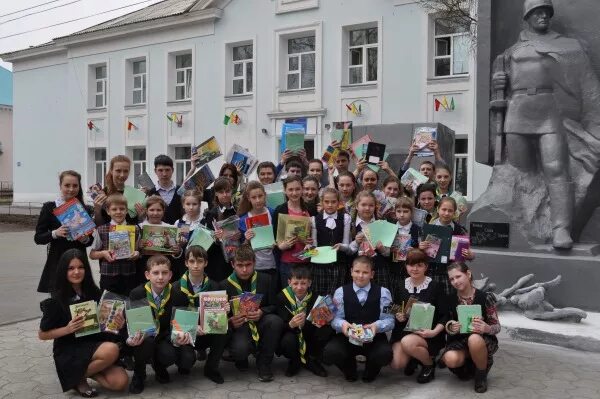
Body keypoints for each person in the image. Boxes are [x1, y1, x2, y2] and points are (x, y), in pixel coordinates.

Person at [491, 0, 579, 249]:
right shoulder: (511, 51)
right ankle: (528, 217)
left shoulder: (565, 45)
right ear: (527, 16)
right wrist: (498, 82)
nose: (543, 16)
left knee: (555, 167)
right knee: (521, 168)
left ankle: (561, 228)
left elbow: (577, 81)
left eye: (546, 12)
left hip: (548, 109)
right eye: (537, 12)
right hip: (518, 108)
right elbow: (501, 85)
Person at [39, 249, 128, 397]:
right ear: (63, 271)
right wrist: (68, 329)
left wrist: (117, 324)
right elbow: (42, 334)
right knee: (111, 350)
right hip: (70, 348)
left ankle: (77, 377)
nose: (76, 272)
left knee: (119, 383)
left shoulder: (95, 292)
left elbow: (105, 325)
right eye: (71, 268)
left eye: (81, 267)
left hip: (95, 345)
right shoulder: (56, 300)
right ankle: (77, 378)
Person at [322, 256, 394, 382]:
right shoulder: (340, 292)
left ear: (372, 274)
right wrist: (342, 325)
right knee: (331, 352)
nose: (360, 276)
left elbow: (390, 320)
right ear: (351, 272)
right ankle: (349, 368)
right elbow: (335, 318)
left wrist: (376, 326)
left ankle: (371, 370)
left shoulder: (384, 292)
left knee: (385, 354)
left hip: (373, 337)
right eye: (357, 271)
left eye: (365, 272)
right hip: (347, 337)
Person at [220, 246, 283, 382]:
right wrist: (230, 321)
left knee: (275, 321)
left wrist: (262, 311)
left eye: (248, 265)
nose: (244, 269)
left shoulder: (266, 279)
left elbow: (275, 306)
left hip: (261, 322)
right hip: (240, 327)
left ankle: (264, 363)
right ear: (232, 264)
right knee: (239, 350)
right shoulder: (224, 285)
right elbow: (219, 317)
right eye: (240, 265)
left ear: (254, 263)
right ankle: (240, 358)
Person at [171, 246, 228, 384]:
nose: (195, 266)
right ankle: (184, 362)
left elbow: (217, 319)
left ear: (206, 263)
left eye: (200, 261)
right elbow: (173, 320)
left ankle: (211, 368)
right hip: (185, 332)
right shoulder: (175, 287)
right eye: (191, 261)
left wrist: (224, 311)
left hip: (207, 330)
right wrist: (192, 328)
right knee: (186, 361)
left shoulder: (215, 286)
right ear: (186, 263)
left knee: (225, 329)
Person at [441, 262, 501, 393]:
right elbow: (445, 322)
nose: (455, 281)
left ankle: (481, 376)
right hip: (458, 341)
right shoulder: (450, 298)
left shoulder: (485, 297)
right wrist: (451, 327)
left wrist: (486, 328)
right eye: (451, 279)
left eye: (458, 276)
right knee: (450, 359)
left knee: (474, 339)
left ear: (468, 274)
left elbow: (497, 326)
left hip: (480, 340)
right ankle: (471, 360)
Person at [390, 249, 447, 384]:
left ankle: (428, 364)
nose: (415, 269)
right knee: (396, 364)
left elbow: (445, 314)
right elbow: (393, 306)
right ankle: (415, 358)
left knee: (408, 343)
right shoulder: (400, 284)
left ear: (426, 267)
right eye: (411, 265)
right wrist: (397, 314)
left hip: (427, 333)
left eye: (419, 265)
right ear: (406, 266)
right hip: (404, 330)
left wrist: (434, 332)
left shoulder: (435, 286)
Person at [35, 170, 95, 293]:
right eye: (67, 185)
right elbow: (38, 238)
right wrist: (55, 233)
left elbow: (90, 241)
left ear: (79, 186)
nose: (71, 189)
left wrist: (85, 239)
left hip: (79, 263)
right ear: (60, 186)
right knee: (59, 304)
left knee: (81, 306)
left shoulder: (85, 209)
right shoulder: (50, 207)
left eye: (75, 185)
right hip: (57, 262)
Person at [127, 255, 179, 394]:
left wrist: (179, 335)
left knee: (169, 354)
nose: (160, 277)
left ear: (170, 275)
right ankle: (139, 373)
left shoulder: (176, 293)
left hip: (163, 336)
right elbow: (132, 323)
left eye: (164, 273)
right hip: (144, 338)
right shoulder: (137, 294)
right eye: (155, 273)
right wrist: (131, 337)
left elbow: (176, 323)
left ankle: (159, 365)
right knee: (143, 342)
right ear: (147, 275)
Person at [276, 265, 332, 377]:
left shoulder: (316, 298)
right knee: (287, 341)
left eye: (303, 283)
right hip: (292, 333)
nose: (300, 287)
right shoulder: (282, 297)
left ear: (309, 283)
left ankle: (311, 360)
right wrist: (290, 325)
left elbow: (320, 323)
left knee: (325, 330)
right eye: (296, 283)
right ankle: (295, 360)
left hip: (309, 332)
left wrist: (326, 319)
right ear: (289, 282)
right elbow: (279, 325)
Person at [420, 197, 474, 296]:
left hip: (451, 274)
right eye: (444, 209)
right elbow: (422, 252)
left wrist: (470, 255)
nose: (446, 213)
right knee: (430, 299)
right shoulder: (429, 228)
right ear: (438, 209)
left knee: (449, 300)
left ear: (454, 212)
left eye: (450, 211)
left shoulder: (460, 230)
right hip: (432, 271)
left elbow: (469, 253)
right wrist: (421, 247)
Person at [89, 194, 140, 296]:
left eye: (122, 209)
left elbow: (139, 250)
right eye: (114, 209)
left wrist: (137, 253)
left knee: (128, 305)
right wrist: (103, 253)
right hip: (108, 276)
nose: (118, 212)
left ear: (126, 210)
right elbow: (92, 254)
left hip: (129, 275)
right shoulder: (101, 229)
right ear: (108, 211)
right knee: (108, 305)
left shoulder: (135, 229)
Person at [309, 188, 352, 296]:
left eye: (333, 202)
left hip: (338, 264)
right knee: (319, 296)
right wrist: (308, 249)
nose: (330, 205)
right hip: (319, 265)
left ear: (338, 203)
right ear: (322, 202)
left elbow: (347, 245)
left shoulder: (345, 218)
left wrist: (341, 246)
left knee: (336, 296)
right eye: (326, 202)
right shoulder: (314, 219)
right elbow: (314, 246)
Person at [274, 175, 313, 288]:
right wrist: (281, 246)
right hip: (287, 262)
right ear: (285, 191)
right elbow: (275, 236)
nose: (294, 193)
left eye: (297, 189)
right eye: (290, 189)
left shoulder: (309, 209)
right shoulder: (280, 209)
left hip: (306, 261)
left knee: (305, 294)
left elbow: (315, 235)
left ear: (302, 189)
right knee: (288, 296)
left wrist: (310, 242)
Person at [349, 191, 391, 289]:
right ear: (356, 206)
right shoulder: (350, 224)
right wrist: (356, 242)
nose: (367, 208)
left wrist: (381, 248)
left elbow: (387, 253)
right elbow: (347, 250)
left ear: (375, 207)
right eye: (363, 205)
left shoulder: (382, 224)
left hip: (378, 269)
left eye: (371, 205)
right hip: (358, 272)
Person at [138, 195, 183, 281]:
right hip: (145, 270)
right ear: (146, 211)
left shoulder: (171, 228)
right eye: (152, 210)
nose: (155, 213)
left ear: (163, 211)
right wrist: (139, 246)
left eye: (159, 210)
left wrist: (177, 250)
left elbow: (175, 252)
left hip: (165, 270)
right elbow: (135, 253)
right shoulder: (139, 228)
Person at [202, 177, 239, 282]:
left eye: (227, 191)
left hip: (237, 259)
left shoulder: (237, 210)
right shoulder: (211, 214)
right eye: (221, 192)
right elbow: (207, 242)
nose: (225, 195)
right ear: (216, 194)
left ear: (232, 191)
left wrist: (240, 235)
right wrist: (217, 239)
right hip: (218, 261)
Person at [238, 181, 277, 279]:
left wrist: (277, 243)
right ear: (248, 198)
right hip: (255, 267)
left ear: (265, 195)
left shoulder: (273, 213)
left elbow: (280, 237)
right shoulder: (243, 220)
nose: (258, 200)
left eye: (260, 196)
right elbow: (239, 251)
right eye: (254, 197)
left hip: (274, 265)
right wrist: (246, 240)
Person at [93, 155, 143, 225]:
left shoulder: (134, 194)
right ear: (111, 170)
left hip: (130, 234)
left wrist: (141, 216)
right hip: (108, 235)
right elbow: (99, 225)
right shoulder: (102, 194)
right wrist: (97, 210)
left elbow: (137, 223)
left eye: (125, 171)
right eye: (118, 171)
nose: (122, 175)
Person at [389, 197, 421, 288]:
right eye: (399, 211)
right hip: (394, 270)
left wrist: (414, 251)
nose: (402, 215)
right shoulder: (390, 228)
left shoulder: (417, 229)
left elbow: (421, 249)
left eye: (406, 211)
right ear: (395, 213)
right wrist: (390, 250)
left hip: (412, 271)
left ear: (411, 213)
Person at [145, 155, 183, 225]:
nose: (164, 174)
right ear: (155, 171)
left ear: (173, 170)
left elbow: (186, 216)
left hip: (179, 233)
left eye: (167, 170)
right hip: (155, 233)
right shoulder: (150, 193)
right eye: (160, 170)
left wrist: (184, 235)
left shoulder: (181, 191)